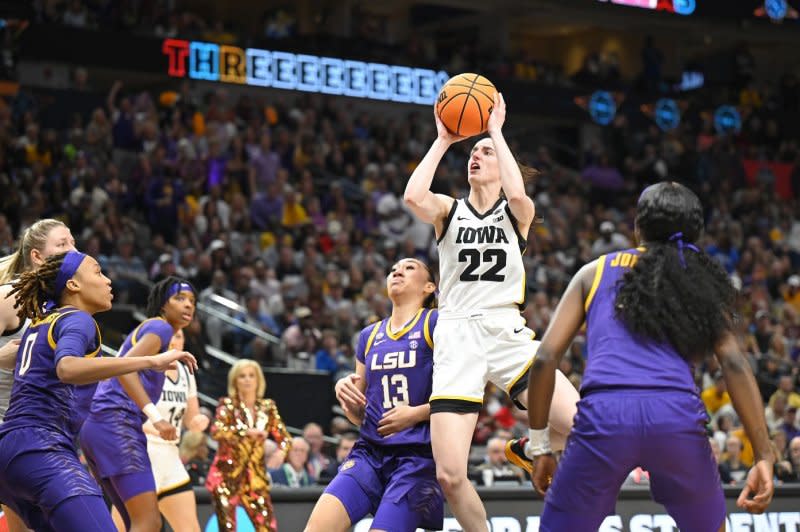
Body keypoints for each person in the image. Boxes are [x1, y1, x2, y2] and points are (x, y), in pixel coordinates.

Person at [524, 182, 774, 531]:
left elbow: (544, 358)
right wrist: (764, 454)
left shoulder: (594, 272)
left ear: (637, 227)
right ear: (695, 233)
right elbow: (733, 363)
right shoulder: (700, 279)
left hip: (605, 415)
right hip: (674, 414)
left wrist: (539, 447)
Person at [403, 94, 578, 530]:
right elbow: (412, 196)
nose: (476, 157)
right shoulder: (450, 209)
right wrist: (444, 139)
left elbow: (518, 192)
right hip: (457, 335)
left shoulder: (518, 212)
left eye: (486, 153)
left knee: (584, 424)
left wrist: (496, 131)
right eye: (473, 152)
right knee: (449, 474)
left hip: (505, 331)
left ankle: (531, 448)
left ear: (503, 164)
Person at [0, 251, 195, 531]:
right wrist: (151, 360)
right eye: (98, 272)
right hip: (42, 446)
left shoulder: (42, 324)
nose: (108, 280)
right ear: (73, 285)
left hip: (9, 449)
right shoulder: (79, 320)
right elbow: (66, 368)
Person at [305, 257, 443, 532]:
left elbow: (463, 397)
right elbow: (359, 415)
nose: (397, 271)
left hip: (417, 457)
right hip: (369, 452)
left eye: (409, 267)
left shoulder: (435, 323)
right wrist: (345, 394)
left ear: (429, 287)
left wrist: (415, 413)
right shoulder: (369, 335)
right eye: (393, 269)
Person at [80, 277, 197, 532]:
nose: (188, 305)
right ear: (163, 304)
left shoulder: (150, 331)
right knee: (148, 522)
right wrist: (156, 417)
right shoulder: (161, 328)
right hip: (115, 422)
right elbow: (125, 370)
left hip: (98, 425)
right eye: (179, 299)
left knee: (134, 523)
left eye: (192, 301)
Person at [0, 219, 77, 532]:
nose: (73, 250)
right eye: (62, 245)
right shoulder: (8, 297)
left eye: (73, 242)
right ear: (36, 257)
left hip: (39, 433)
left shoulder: (62, 307)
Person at [109, 329, 210, 532]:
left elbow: (191, 419)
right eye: (170, 336)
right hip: (141, 452)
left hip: (171, 458)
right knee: (120, 528)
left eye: (179, 336)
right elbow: (123, 411)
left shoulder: (185, 372)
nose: (174, 340)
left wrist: (200, 422)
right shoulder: (145, 368)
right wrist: (155, 426)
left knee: (190, 529)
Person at [206, 359, 291, 532]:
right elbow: (217, 431)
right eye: (242, 376)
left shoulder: (268, 407)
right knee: (228, 528)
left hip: (255, 478)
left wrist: (281, 452)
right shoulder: (228, 405)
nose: (247, 380)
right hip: (226, 476)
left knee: (267, 527)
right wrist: (244, 432)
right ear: (234, 381)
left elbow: (285, 438)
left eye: (251, 376)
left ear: (258, 380)